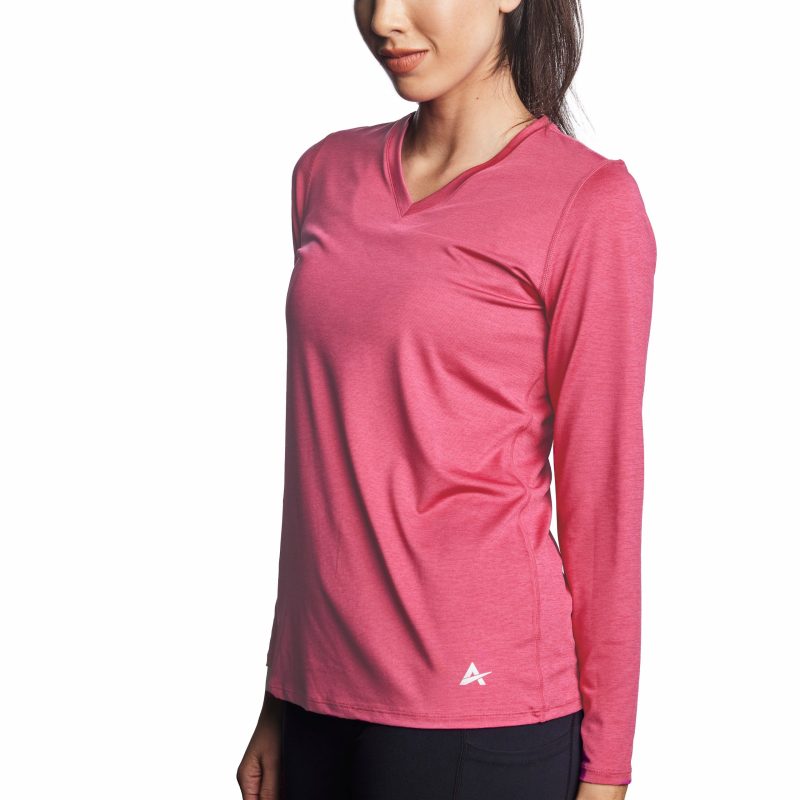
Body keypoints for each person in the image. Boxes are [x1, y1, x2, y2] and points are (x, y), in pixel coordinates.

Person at [237, 0, 656, 798]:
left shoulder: (588, 201)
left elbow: (604, 496)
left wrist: (607, 770)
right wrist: (279, 698)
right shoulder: (325, 173)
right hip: (318, 696)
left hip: (478, 709)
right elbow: (325, 468)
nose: (384, 19)